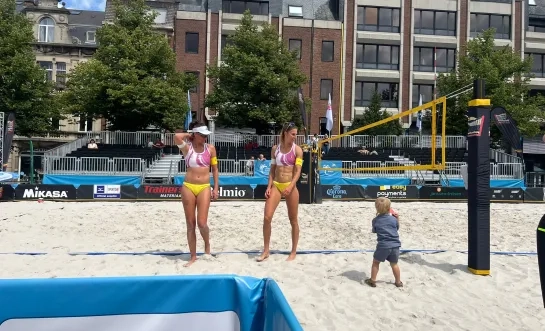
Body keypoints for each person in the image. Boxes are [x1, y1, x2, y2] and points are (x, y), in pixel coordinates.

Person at [173, 121, 219, 267]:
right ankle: (193, 256)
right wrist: (189, 135)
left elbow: (215, 169)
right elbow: (176, 137)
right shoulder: (187, 149)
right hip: (188, 186)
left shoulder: (210, 149)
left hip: (204, 186)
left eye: (206, 135)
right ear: (196, 135)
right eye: (203, 135)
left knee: (202, 223)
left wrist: (216, 187)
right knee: (191, 223)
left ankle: (207, 245)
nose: (205, 137)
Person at [257, 122, 304, 262]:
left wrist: (291, 186)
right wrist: (268, 186)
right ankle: (266, 250)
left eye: (296, 134)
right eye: (293, 134)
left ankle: (293, 251)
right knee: (267, 217)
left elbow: (297, 171)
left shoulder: (297, 150)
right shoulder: (275, 149)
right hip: (277, 184)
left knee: (293, 219)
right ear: (285, 133)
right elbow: (272, 170)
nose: (295, 136)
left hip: (290, 186)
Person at [365, 197, 403, 288]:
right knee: (394, 264)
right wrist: (397, 218)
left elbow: (374, 231)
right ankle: (398, 282)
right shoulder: (393, 219)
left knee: (376, 262)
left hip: (383, 245)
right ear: (389, 208)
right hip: (395, 245)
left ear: (376, 208)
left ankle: (372, 280)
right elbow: (397, 228)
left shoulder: (375, 220)